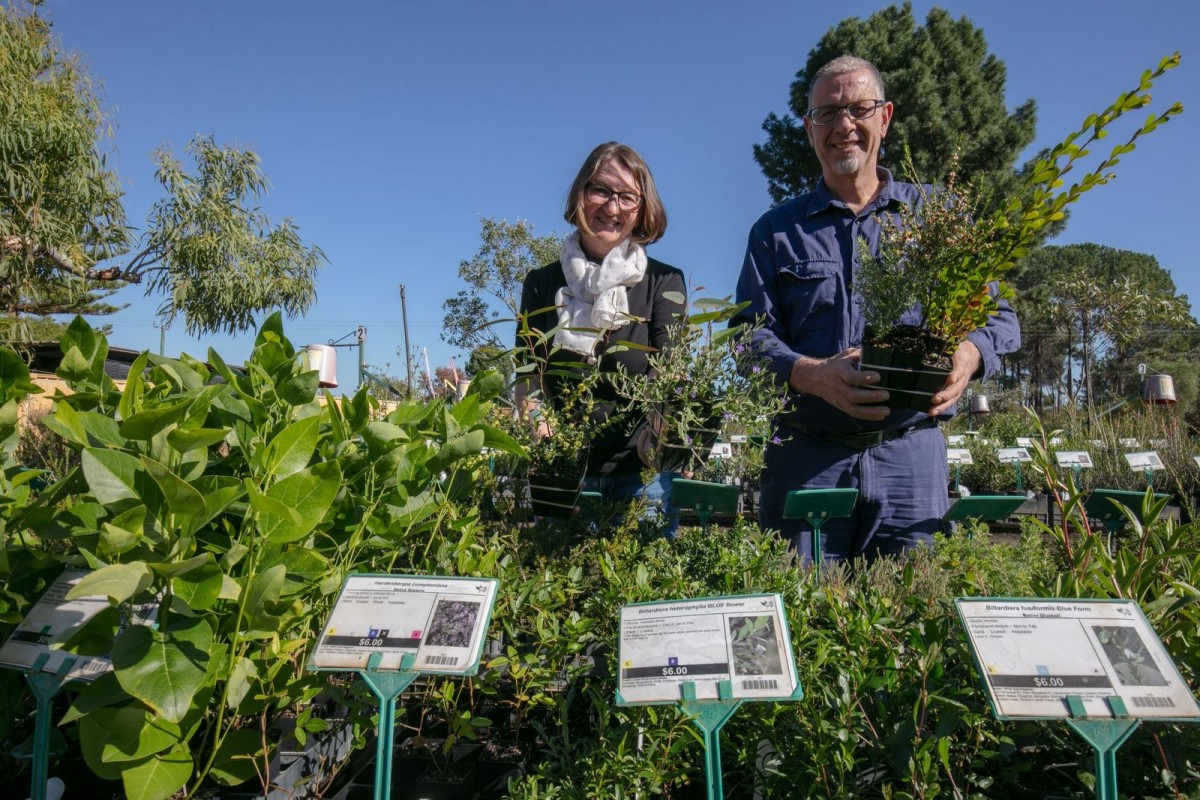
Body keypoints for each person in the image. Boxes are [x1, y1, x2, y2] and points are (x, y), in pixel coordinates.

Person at [732, 56, 1020, 563]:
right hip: (807, 454)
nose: (843, 126)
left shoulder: (938, 218)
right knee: (802, 617)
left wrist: (969, 355)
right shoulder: (776, 231)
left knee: (913, 620)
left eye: (858, 109)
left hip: (910, 457)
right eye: (827, 114)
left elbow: (997, 317)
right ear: (809, 128)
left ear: (884, 118)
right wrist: (811, 373)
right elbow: (746, 337)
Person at [516, 142, 687, 535]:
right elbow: (529, 374)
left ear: (643, 208)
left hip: (643, 480)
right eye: (601, 191)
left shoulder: (664, 282)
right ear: (580, 194)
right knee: (559, 591)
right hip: (565, 476)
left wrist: (659, 432)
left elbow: (671, 371)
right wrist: (547, 444)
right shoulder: (542, 284)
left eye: (627, 196)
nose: (612, 208)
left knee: (644, 589)